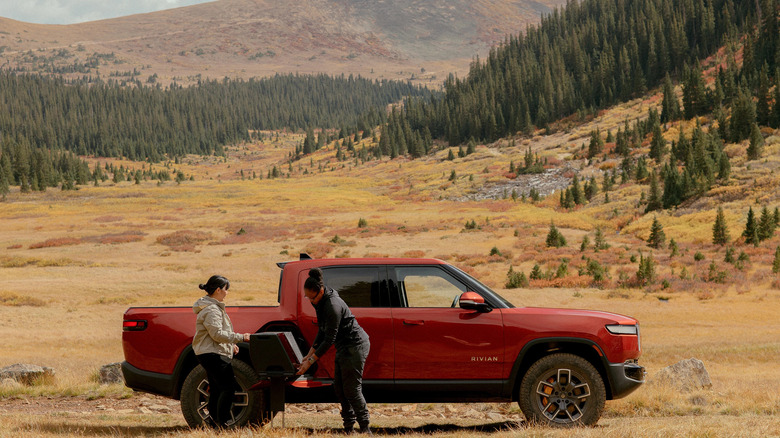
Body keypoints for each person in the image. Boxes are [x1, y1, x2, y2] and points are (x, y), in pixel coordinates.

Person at [297, 268, 372, 434]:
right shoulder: (320, 301)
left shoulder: (332, 305)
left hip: (355, 345)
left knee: (352, 389)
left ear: (321, 291)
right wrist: (308, 355)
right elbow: (322, 331)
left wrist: (309, 363)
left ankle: (365, 429)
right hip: (343, 346)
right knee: (339, 388)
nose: (310, 300)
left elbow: (329, 338)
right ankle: (348, 429)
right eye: (307, 297)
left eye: (312, 297)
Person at [192, 275, 251, 429]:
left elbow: (214, 335)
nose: (227, 293)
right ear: (218, 290)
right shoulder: (212, 310)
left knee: (217, 388)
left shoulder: (210, 307)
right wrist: (241, 338)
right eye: (225, 289)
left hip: (210, 352)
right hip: (213, 354)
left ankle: (214, 424)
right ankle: (222, 424)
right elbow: (217, 334)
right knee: (228, 388)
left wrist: (230, 345)